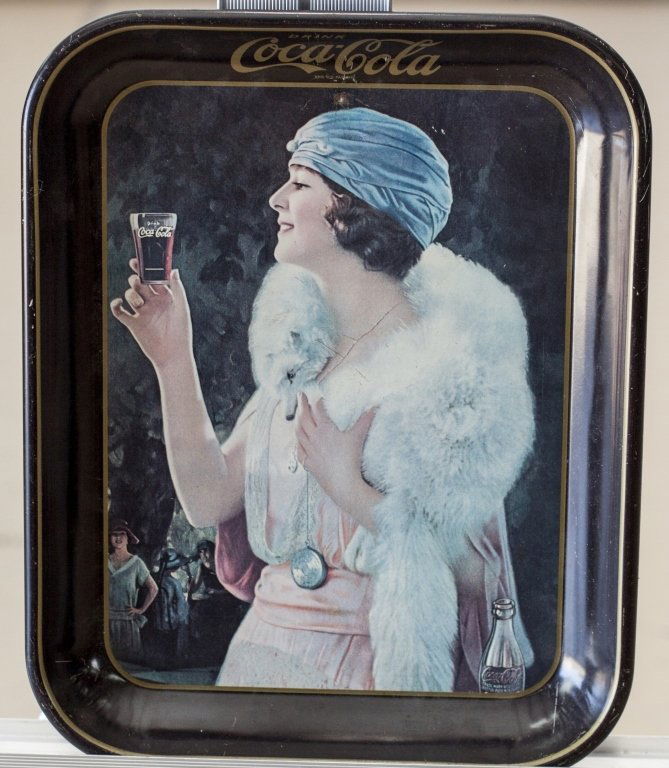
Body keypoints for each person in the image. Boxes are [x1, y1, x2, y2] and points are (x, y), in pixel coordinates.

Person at [111, 107, 535, 692]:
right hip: (261, 659)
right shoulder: (300, 356)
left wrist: (350, 489)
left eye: (300, 183)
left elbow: (479, 577)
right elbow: (207, 499)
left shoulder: (445, 372)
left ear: (355, 205)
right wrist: (171, 356)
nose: (277, 199)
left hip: (367, 676)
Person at [108, 519, 158, 663]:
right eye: (114, 534)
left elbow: (153, 588)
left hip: (128, 623)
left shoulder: (136, 563)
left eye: (122, 534)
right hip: (107, 622)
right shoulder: (104, 560)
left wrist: (141, 609)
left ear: (128, 538)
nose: (118, 538)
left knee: (129, 663)